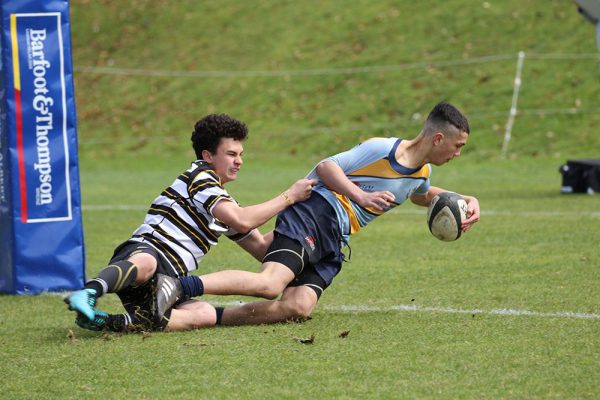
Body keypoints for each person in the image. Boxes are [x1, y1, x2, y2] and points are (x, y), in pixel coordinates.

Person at [153, 101, 481, 331]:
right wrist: (360, 195)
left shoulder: (420, 173)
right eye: (458, 145)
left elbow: (422, 195)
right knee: (270, 284)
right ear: (438, 138)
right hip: (316, 212)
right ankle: (178, 287)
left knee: (297, 307)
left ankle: (214, 314)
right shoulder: (384, 149)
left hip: (336, 237)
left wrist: (465, 198)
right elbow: (327, 166)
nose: (458, 153)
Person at [64, 114, 316, 331]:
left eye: (240, 154)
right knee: (147, 263)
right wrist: (288, 197)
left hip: (168, 282)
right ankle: (89, 292)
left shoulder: (223, 202)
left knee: (203, 314)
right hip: (145, 253)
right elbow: (241, 220)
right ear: (207, 155)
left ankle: (105, 322)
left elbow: (262, 248)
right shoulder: (201, 177)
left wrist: (300, 222)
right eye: (231, 154)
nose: (239, 161)